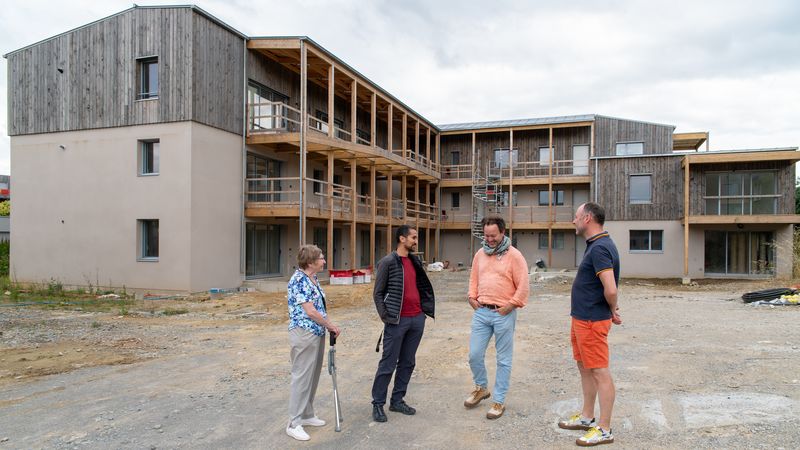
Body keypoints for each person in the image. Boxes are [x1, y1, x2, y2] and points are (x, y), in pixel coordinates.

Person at [557, 202, 622, 447]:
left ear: (587, 218)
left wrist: (612, 309)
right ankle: (587, 417)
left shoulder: (600, 248)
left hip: (593, 320)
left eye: (575, 217)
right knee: (585, 367)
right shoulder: (596, 245)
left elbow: (611, 288)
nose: (573, 221)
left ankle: (604, 429)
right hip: (582, 319)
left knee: (599, 371)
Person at [464, 215, 529, 420]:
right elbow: (474, 278)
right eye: (486, 235)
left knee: (503, 360)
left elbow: (524, 285)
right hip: (481, 311)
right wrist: (471, 298)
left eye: (493, 235)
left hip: (504, 313)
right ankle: (481, 388)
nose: (489, 239)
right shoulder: (479, 254)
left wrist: (511, 305)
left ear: (502, 232)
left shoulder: (515, 256)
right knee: (474, 354)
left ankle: (498, 401)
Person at [371, 224, 435, 422]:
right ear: (402, 239)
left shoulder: (415, 261)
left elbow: (422, 286)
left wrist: (424, 312)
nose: (416, 241)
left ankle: (397, 400)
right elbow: (378, 293)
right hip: (397, 321)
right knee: (388, 363)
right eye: (413, 237)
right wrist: (386, 316)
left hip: (417, 319)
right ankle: (377, 404)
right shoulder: (388, 262)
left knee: (407, 362)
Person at [285, 244, 341, 441]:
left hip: (316, 332)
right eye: (321, 258)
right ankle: (294, 422)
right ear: (310, 262)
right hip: (304, 333)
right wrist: (330, 325)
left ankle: (307, 414)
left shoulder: (312, 278)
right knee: (302, 376)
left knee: (313, 375)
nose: (324, 261)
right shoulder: (299, 280)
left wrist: (325, 326)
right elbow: (310, 311)